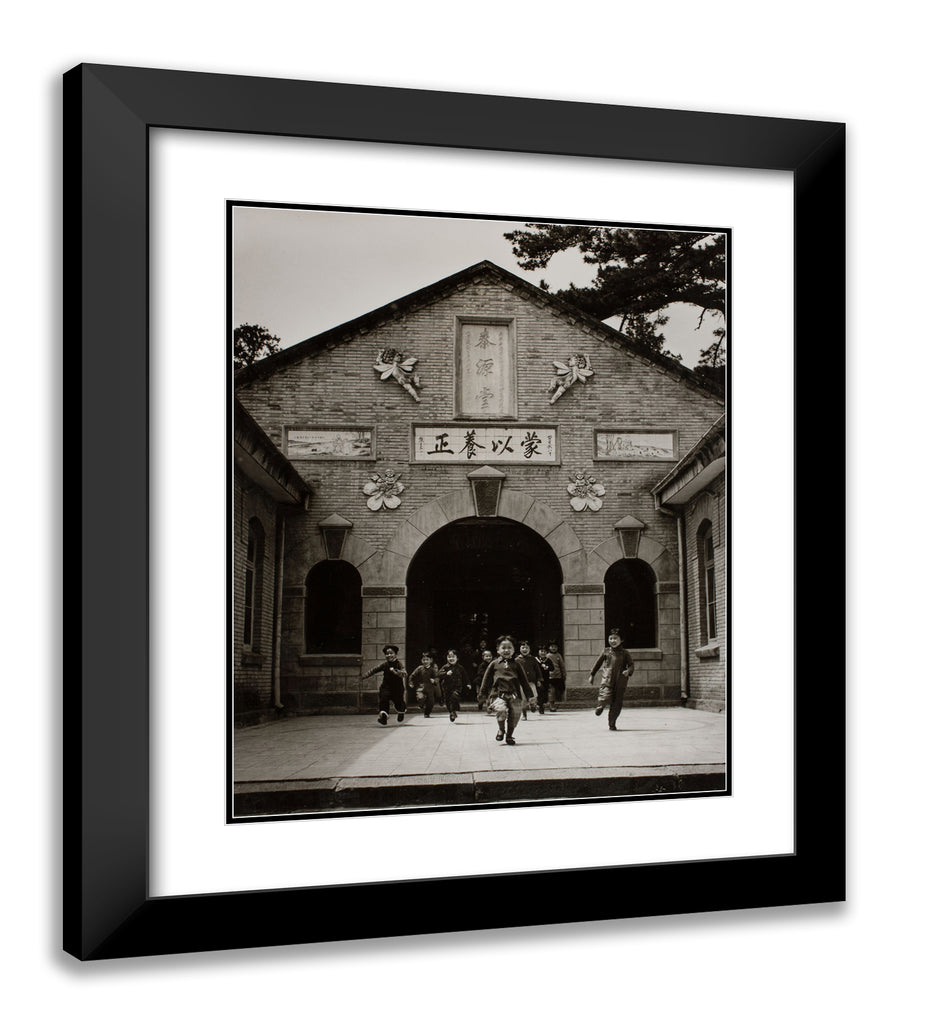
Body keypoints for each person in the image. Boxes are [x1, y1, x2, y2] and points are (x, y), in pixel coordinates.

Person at [477, 636, 535, 746]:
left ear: (514, 650)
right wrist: (482, 693)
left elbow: (524, 681)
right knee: (501, 711)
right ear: (498, 650)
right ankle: (501, 729)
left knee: (515, 715)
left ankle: (509, 735)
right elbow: (486, 679)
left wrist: (530, 696)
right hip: (498, 694)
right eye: (503, 648)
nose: (506, 650)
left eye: (509, 648)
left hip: (514, 694)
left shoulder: (517, 664)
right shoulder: (494, 664)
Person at [588, 627, 635, 731]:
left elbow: (631, 665)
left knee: (617, 703)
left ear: (621, 640)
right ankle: (601, 705)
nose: (613, 641)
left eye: (615, 638)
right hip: (607, 679)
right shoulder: (606, 651)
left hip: (620, 681)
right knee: (605, 694)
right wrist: (592, 675)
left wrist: (628, 671)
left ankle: (612, 723)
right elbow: (597, 664)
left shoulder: (625, 653)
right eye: (611, 638)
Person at [363, 643, 408, 725]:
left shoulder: (398, 664)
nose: (389, 655)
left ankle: (401, 712)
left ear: (395, 654)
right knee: (383, 699)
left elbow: (404, 673)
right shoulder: (385, 665)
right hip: (386, 686)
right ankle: (383, 718)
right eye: (387, 654)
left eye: (391, 653)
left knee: (399, 702)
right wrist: (364, 676)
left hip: (397, 688)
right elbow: (374, 670)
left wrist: (396, 672)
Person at [438, 648, 471, 722]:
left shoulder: (460, 667)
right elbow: (439, 674)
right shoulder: (445, 667)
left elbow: (465, 676)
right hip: (446, 687)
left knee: (454, 696)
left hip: (457, 687)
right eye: (449, 657)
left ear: (457, 658)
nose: (451, 658)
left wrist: (468, 683)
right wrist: (446, 673)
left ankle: (453, 711)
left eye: (453, 657)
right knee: (448, 701)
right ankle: (452, 712)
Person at [514, 640, 542, 719]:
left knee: (533, 696)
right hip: (521, 683)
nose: (525, 649)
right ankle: (524, 714)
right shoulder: (517, 660)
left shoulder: (533, 659)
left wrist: (539, 679)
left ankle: (533, 705)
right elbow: (514, 671)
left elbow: (537, 670)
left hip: (531, 682)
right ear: (520, 649)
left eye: (526, 648)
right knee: (523, 699)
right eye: (523, 648)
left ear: (529, 649)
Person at [409, 651, 439, 718]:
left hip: (430, 689)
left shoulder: (432, 670)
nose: (425, 661)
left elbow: (437, 677)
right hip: (421, 688)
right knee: (420, 697)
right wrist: (411, 682)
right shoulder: (419, 668)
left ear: (430, 660)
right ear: (421, 660)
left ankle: (427, 713)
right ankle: (421, 704)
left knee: (431, 702)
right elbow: (412, 675)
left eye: (427, 660)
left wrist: (434, 681)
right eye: (424, 660)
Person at [546, 639, 566, 712]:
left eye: (555, 647)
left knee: (559, 690)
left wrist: (564, 674)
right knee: (551, 691)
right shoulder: (547, 656)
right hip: (550, 677)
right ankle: (551, 705)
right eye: (552, 646)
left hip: (558, 676)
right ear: (549, 647)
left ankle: (556, 703)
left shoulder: (558, 655)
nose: (553, 648)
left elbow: (562, 666)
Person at [534, 644, 553, 714]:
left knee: (545, 692)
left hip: (546, 679)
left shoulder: (548, 660)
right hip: (538, 679)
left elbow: (552, 668)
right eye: (541, 651)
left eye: (545, 651)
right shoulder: (535, 660)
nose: (543, 653)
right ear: (538, 652)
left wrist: (547, 667)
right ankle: (540, 706)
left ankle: (542, 704)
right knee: (539, 692)